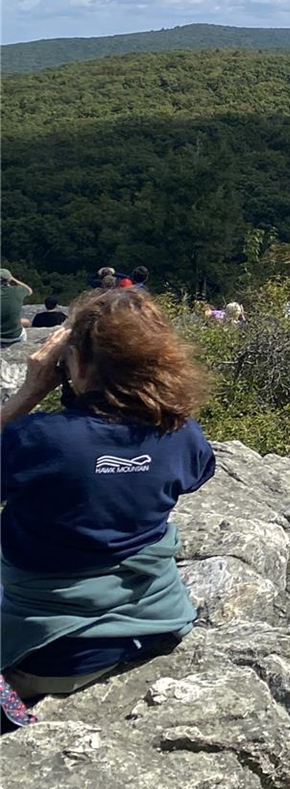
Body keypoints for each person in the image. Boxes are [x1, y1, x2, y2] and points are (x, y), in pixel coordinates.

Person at [1, 290, 216, 699]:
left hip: (48, 654)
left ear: (75, 363)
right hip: (153, 623)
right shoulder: (181, 433)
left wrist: (30, 392)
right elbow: (196, 473)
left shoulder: (36, 440)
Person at [0, 269, 30, 348]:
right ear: (9, 280)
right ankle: (22, 347)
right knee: (26, 322)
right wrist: (13, 278)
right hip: (14, 336)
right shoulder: (17, 291)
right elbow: (29, 290)